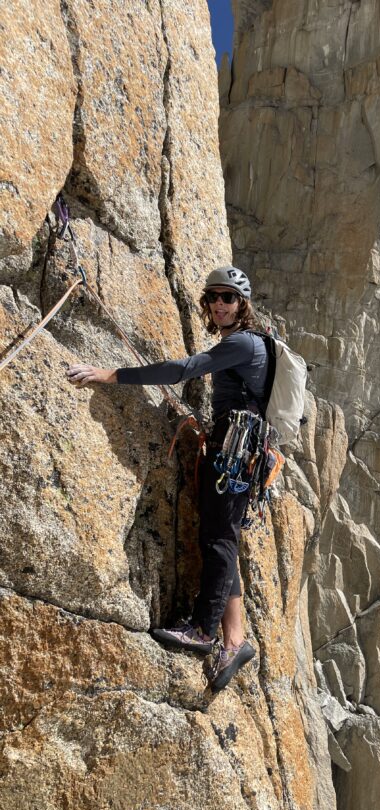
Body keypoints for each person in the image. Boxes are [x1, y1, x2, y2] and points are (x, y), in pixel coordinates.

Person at [67, 266, 264, 691]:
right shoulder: (245, 344)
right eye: (212, 297)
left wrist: (112, 375)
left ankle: (203, 631)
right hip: (236, 448)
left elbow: (183, 369)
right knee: (220, 534)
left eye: (227, 298)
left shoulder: (245, 343)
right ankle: (235, 638)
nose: (218, 304)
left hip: (237, 451)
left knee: (218, 540)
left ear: (242, 304)